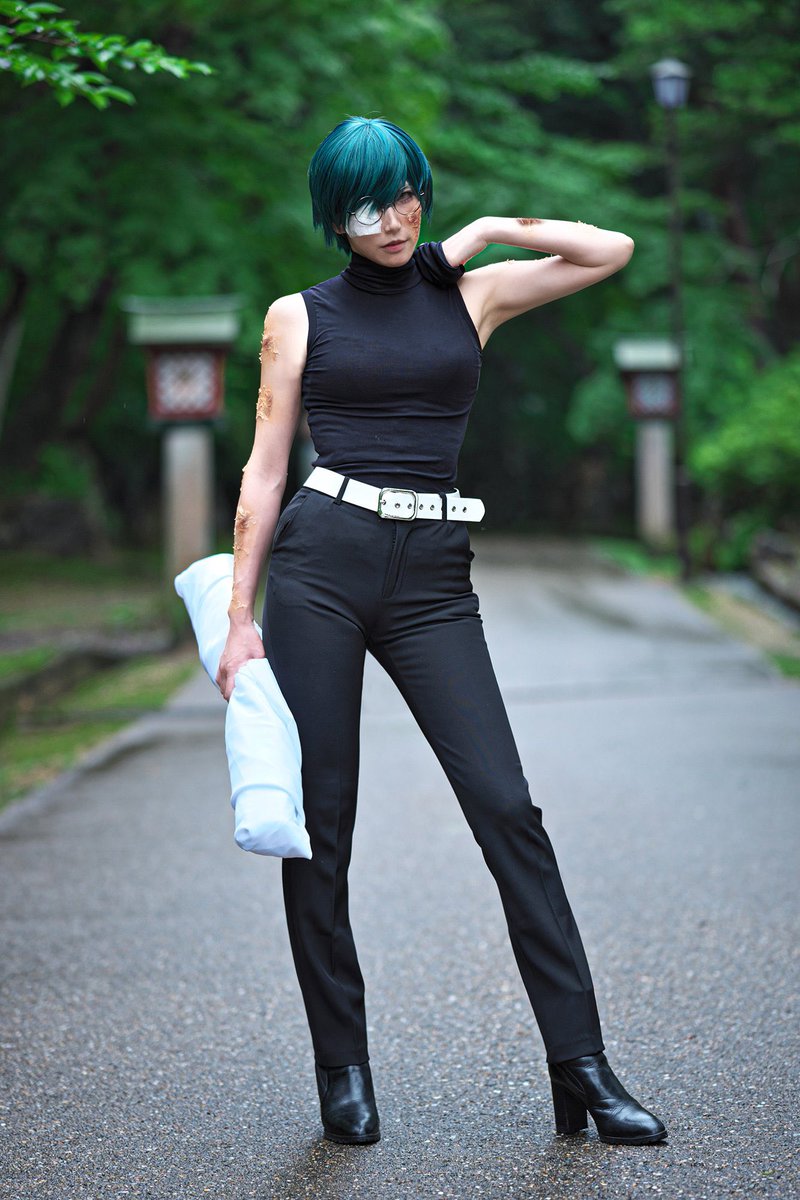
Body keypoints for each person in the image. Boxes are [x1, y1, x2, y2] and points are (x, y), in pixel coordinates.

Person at [216, 116, 667, 1148]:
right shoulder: (298, 315)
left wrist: (486, 229)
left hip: (432, 577)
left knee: (507, 807)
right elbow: (266, 469)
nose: (391, 218)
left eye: (404, 194)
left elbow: (611, 249)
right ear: (334, 218)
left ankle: (581, 1064)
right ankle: (342, 1067)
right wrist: (240, 618)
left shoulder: (472, 294)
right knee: (321, 824)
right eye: (365, 205)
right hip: (321, 568)